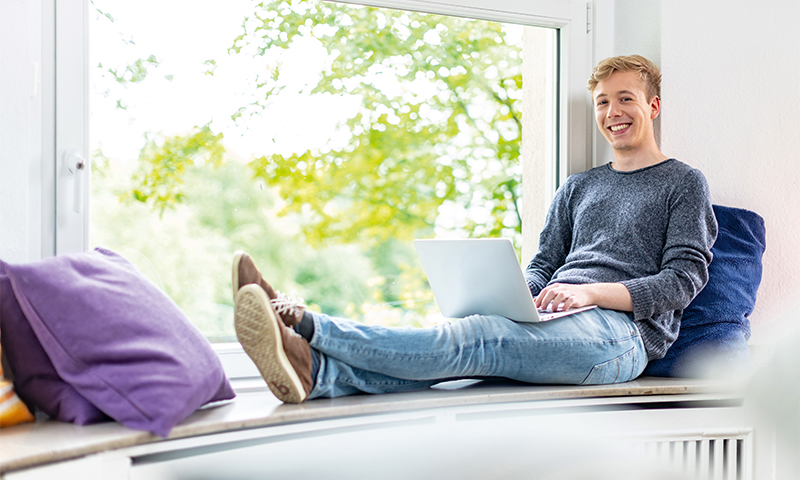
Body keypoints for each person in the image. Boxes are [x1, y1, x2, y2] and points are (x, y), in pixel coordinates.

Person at [231, 54, 718, 404]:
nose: (613, 113)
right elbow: (545, 264)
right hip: (551, 316)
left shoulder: (683, 181)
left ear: (652, 107)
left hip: (621, 338)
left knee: (475, 340)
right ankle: (317, 375)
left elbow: (683, 281)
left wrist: (590, 293)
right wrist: (515, 295)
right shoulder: (578, 186)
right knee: (464, 349)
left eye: (625, 99)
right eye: (602, 102)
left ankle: (309, 326)